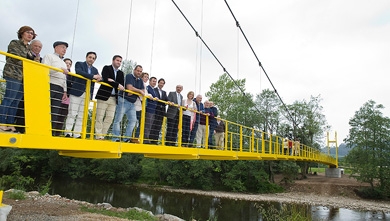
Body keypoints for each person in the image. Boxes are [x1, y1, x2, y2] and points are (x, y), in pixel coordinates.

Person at [0, 26, 36, 132]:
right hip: (13, 74)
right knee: (9, 98)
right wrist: (29, 62)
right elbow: (16, 57)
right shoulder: (14, 43)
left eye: (32, 33)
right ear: (21, 33)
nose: (30, 35)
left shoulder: (29, 48)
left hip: (24, 77)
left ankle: (10, 124)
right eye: (28, 32)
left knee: (16, 101)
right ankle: (1, 122)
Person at [65, 52, 101, 138]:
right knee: (72, 113)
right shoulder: (79, 64)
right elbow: (79, 72)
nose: (91, 59)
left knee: (82, 115)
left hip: (88, 94)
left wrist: (99, 78)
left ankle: (77, 134)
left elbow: (99, 77)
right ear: (86, 57)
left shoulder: (95, 70)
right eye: (90, 57)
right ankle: (68, 132)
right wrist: (93, 76)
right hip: (77, 91)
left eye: (93, 58)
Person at [14, 39, 43, 133]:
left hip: (33, 85)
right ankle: (16, 125)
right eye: (35, 46)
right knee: (19, 103)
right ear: (31, 46)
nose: (37, 48)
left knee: (29, 107)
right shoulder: (26, 54)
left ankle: (24, 127)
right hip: (22, 81)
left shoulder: (41, 59)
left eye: (39, 47)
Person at [111, 65, 144, 143]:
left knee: (133, 120)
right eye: (138, 71)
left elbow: (143, 91)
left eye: (140, 71)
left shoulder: (140, 81)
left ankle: (127, 138)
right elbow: (129, 88)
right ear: (134, 70)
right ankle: (116, 138)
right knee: (118, 119)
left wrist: (134, 91)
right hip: (123, 100)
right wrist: (138, 91)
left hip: (132, 103)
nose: (139, 72)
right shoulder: (129, 76)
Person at [94, 55, 125, 140]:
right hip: (104, 96)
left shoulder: (121, 73)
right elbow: (106, 79)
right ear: (113, 60)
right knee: (100, 116)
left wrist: (113, 81)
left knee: (110, 118)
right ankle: (98, 135)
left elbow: (121, 84)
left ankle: (102, 135)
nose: (119, 62)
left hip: (114, 98)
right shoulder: (106, 68)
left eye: (120, 61)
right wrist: (116, 83)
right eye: (117, 60)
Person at [42, 41, 69, 135]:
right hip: (51, 84)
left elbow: (64, 78)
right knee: (46, 108)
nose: (64, 50)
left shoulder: (63, 62)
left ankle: (51, 131)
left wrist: (65, 91)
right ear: (56, 47)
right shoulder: (49, 56)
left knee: (55, 110)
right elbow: (44, 70)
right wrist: (58, 70)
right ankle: (43, 130)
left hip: (60, 88)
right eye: (63, 47)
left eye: (65, 48)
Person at [55, 58, 73, 136]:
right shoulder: (58, 71)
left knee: (62, 116)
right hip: (57, 95)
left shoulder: (72, 76)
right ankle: (52, 131)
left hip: (66, 98)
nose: (68, 65)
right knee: (55, 113)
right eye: (66, 63)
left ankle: (57, 133)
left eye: (69, 64)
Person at [149, 78, 168, 144]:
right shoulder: (154, 90)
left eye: (163, 83)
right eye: (160, 83)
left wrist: (169, 102)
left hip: (161, 111)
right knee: (153, 124)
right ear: (158, 83)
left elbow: (166, 100)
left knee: (159, 125)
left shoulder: (164, 92)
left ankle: (155, 140)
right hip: (155, 109)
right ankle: (151, 139)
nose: (161, 84)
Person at [143, 76, 158, 143]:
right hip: (148, 108)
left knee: (150, 124)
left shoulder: (154, 90)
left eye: (155, 81)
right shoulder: (147, 88)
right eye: (153, 81)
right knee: (147, 124)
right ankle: (145, 138)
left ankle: (147, 137)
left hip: (153, 109)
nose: (154, 83)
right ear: (150, 81)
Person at [134, 72, 149, 139]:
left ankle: (136, 136)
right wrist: (150, 96)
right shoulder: (140, 84)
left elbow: (146, 93)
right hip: (137, 105)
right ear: (141, 77)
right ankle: (135, 136)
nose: (146, 78)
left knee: (141, 122)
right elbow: (144, 94)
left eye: (147, 77)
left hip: (141, 106)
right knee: (138, 121)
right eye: (145, 77)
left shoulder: (144, 85)